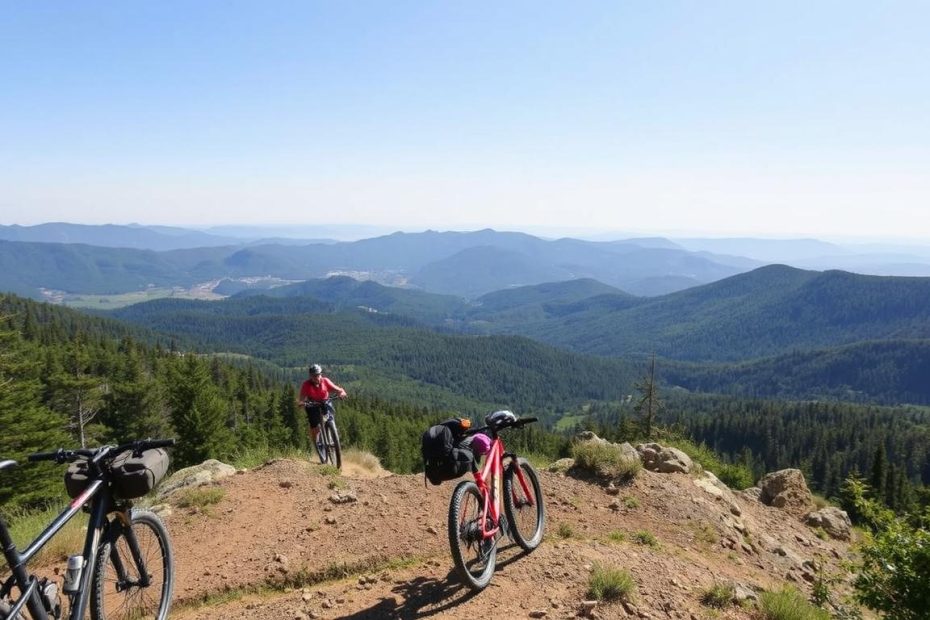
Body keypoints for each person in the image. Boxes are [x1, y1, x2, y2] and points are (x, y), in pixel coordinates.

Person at [298, 364, 347, 447]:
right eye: (314, 375)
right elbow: (301, 398)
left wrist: (342, 393)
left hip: (325, 402)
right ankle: (315, 442)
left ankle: (333, 435)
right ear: (310, 376)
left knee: (330, 418)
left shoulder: (325, 381)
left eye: (318, 375)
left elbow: (338, 389)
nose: (316, 377)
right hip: (312, 404)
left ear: (321, 374)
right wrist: (302, 403)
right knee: (315, 427)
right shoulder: (306, 385)